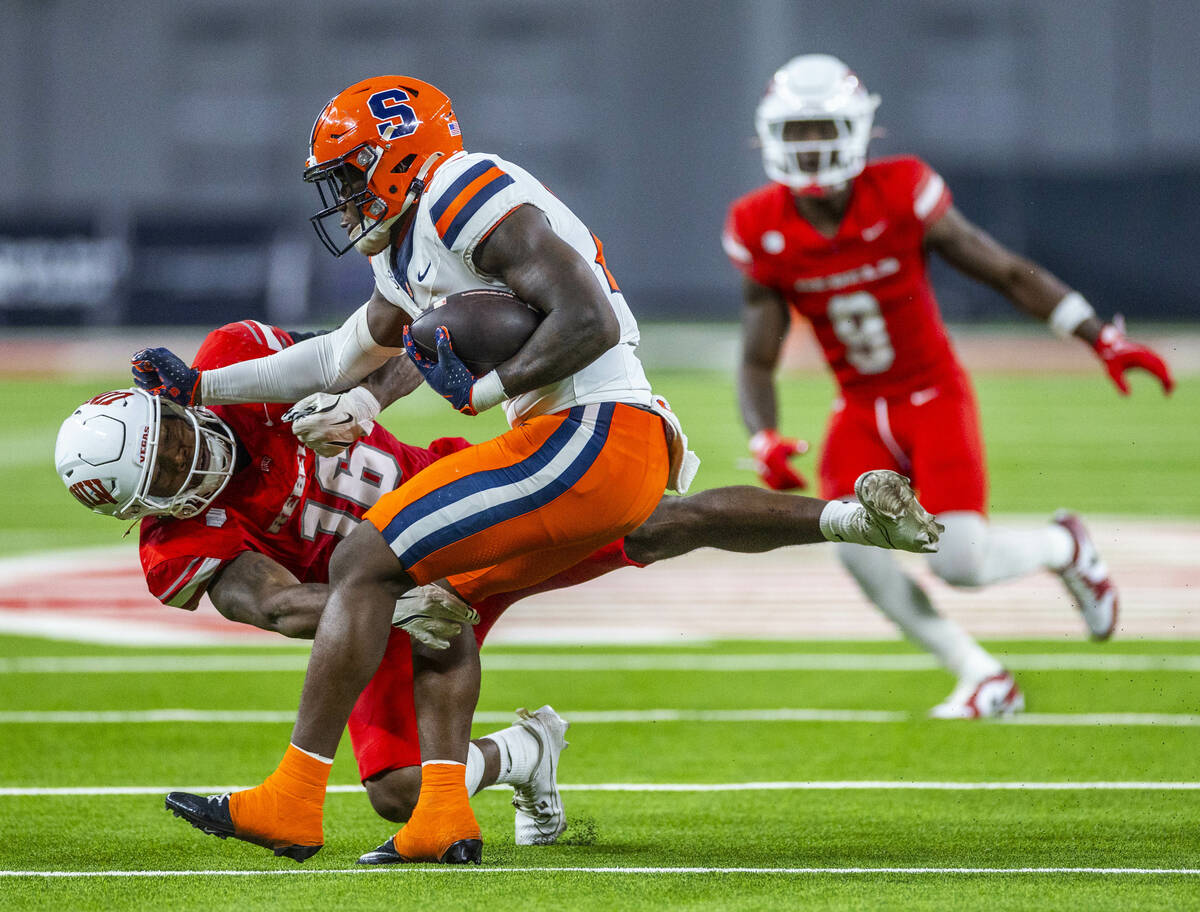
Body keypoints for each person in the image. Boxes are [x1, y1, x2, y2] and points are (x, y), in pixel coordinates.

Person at [123, 75, 940, 865]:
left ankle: (295, 797)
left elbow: (586, 320)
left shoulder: (458, 188)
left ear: (400, 155)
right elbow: (338, 356)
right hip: (587, 441)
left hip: (587, 430)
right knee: (450, 597)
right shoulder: (406, 248)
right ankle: (440, 816)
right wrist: (201, 386)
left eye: (350, 176)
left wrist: (475, 390)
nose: (342, 198)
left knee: (363, 561)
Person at [57, 321, 940, 861]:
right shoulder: (180, 543)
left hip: (450, 505)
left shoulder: (234, 367)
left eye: (173, 437)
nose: (189, 459)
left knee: (647, 519)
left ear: (167, 407)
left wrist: (358, 404)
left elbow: (373, 348)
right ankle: (523, 757)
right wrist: (395, 606)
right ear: (145, 510)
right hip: (383, 609)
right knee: (397, 794)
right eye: (166, 474)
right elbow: (281, 604)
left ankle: (846, 517)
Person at [723, 54, 1175, 720]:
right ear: (771, 137)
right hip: (857, 408)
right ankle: (982, 675)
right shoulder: (758, 223)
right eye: (797, 132)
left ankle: (1065, 546)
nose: (811, 146)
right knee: (854, 550)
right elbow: (757, 354)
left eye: (822, 129)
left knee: (959, 562)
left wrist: (1098, 336)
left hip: (931, 395)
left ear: (854, 128)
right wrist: (761, 434)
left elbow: (1005, 271)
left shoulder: (902, 189)